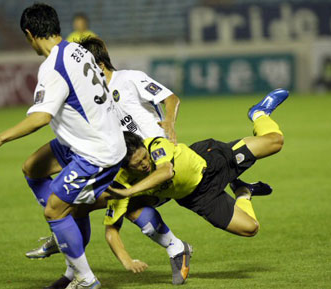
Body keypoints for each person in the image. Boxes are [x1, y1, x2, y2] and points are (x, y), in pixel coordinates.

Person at [0, 4, 126, 289]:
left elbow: (41, 118)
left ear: (29, 34)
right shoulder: (77, 49)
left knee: (54, 211)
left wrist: (0, 137)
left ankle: (84, 278)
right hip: (85, 137)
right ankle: (67, 236)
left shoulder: (52, 67)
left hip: (97, 151)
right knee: (33, 168)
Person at [25, 36, 187, 289]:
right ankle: (73, 268)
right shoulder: (95, 95)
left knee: (109, 206)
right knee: (82, 206)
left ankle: (174, 247)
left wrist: (169, 122)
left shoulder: (129, 79)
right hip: (125, 167)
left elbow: (171, 98)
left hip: (154, 161)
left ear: (97, 63)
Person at [107, 89, 288, 242]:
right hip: (199, 199)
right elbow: (109, 221)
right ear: (125, 166)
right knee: (250, 228)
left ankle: (259, 114)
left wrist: (130, 192)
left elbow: (165, 171)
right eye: (138, 164)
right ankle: (243, 191)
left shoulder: (154, 145)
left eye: (144, 158)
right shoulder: (123, 181)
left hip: (210, 162)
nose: (145, 164)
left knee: (275, 142)